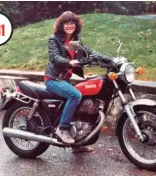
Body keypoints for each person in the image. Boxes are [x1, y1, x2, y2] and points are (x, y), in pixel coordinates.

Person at [44, 11, 118, 151]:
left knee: (85, 99)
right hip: (53, 79)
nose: (70, 26)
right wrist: (69, 62)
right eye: (67, 23)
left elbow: (90, 52)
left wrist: (111, 60)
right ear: (61, 25)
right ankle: (63, 128)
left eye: (72, 23)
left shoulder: (75, 41)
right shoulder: (54, 40)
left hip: (65, 80)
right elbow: (55, 57)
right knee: (75, 95)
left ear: (76, 25)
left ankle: (78, 142)